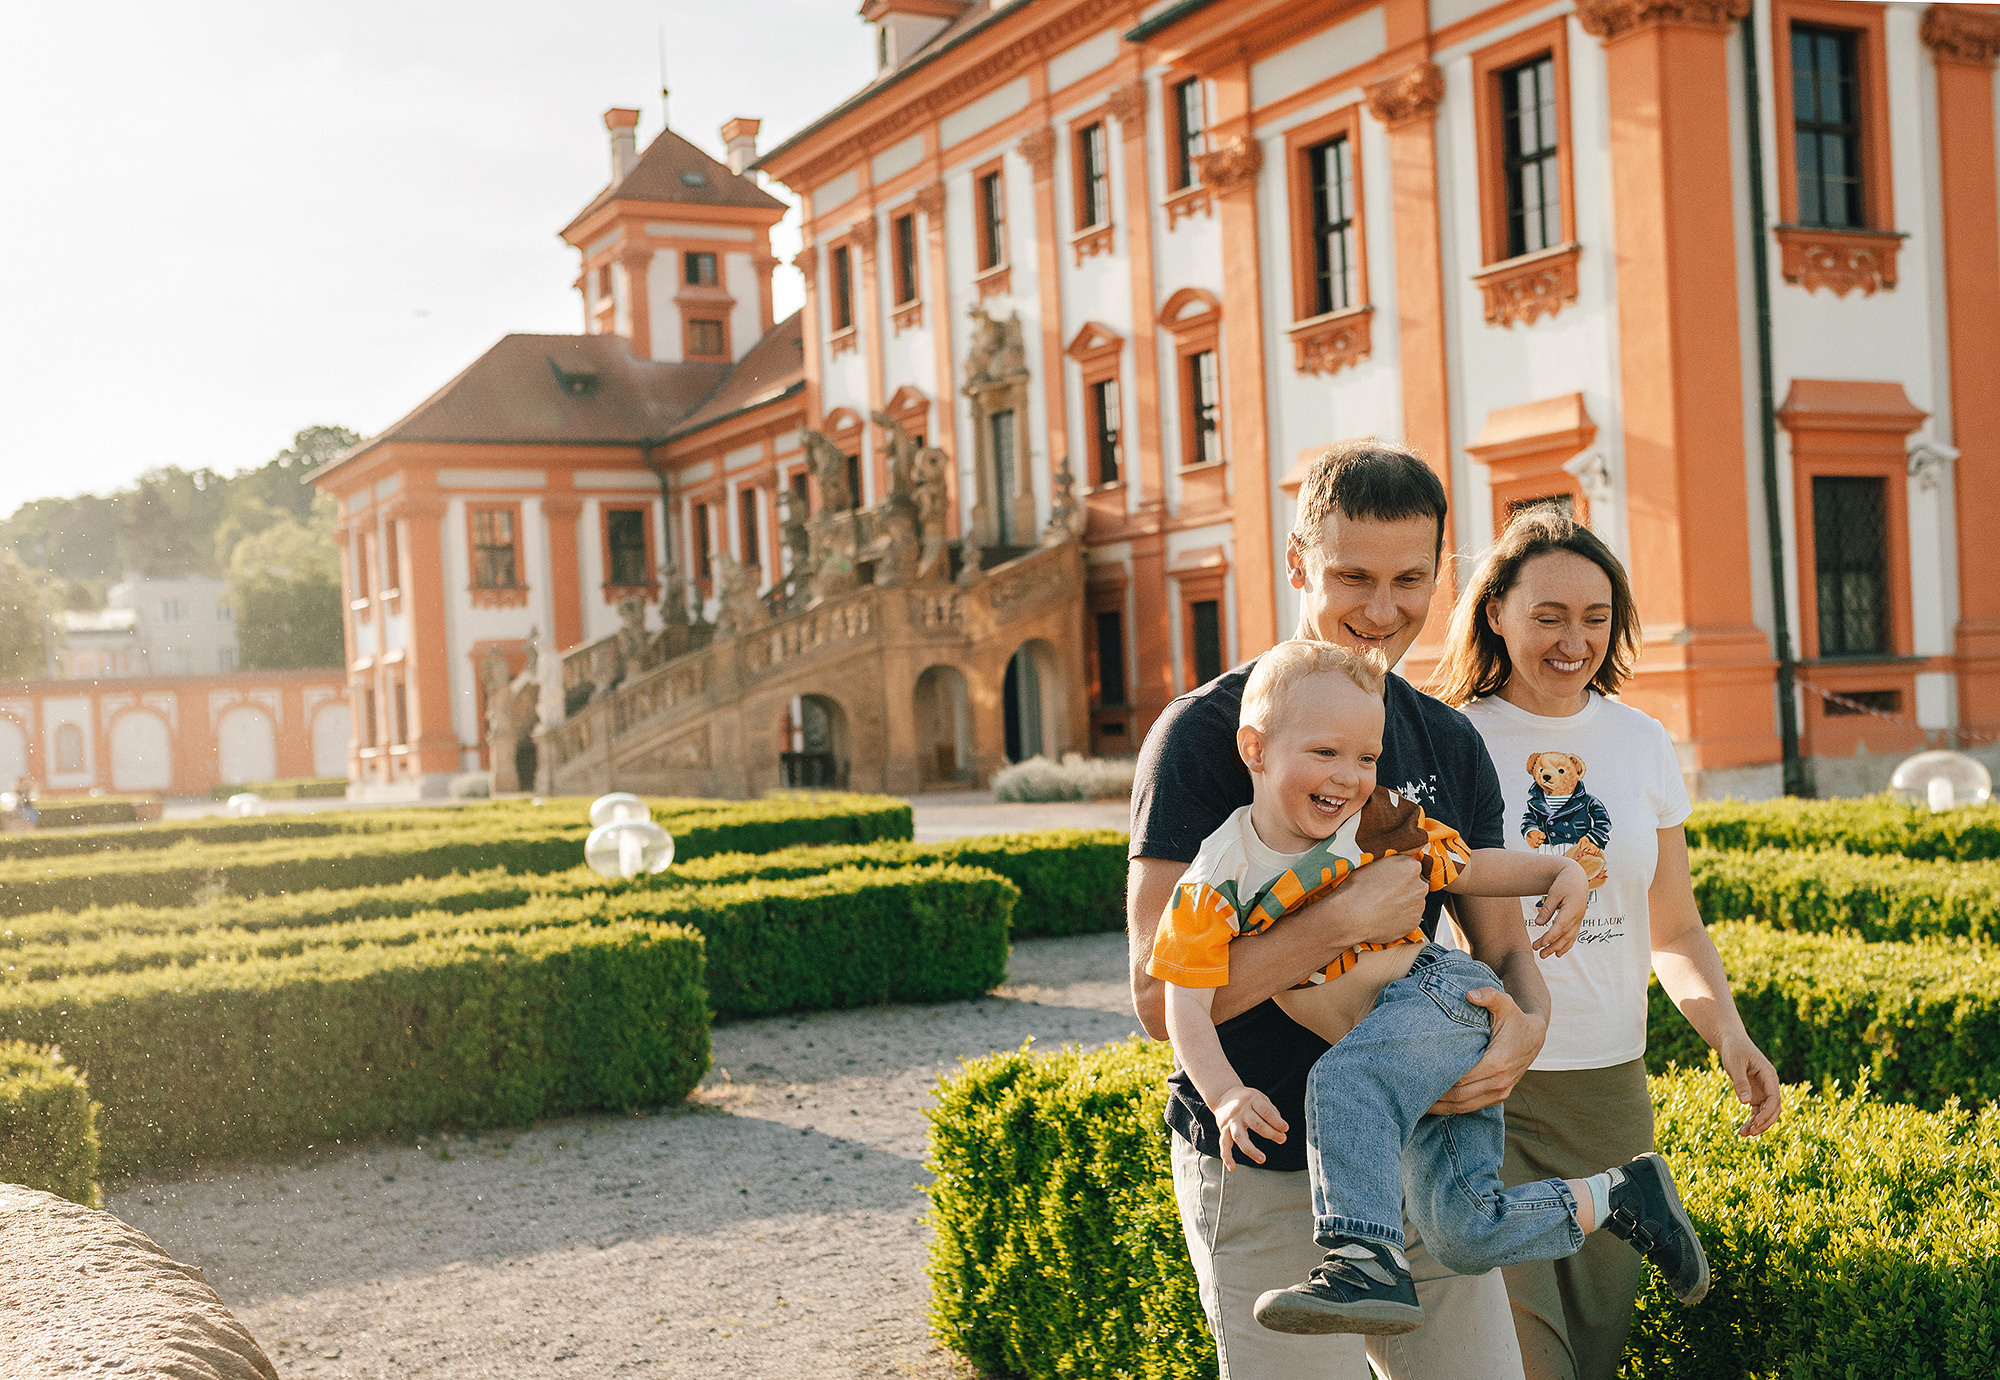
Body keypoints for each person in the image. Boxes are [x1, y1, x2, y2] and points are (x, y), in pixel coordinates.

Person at [1130, 441, 1551, 1378]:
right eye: (1351, 575)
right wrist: (1339, 920)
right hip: (1264, 1170)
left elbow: (1507, 953)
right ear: (1295, 563)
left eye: (1410, 579)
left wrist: (1527, 1032)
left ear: (1442, 573)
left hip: (1423, 1152)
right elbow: (1159, 1006)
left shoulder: (1447, 739)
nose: (1381, 609)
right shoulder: (1208, 737)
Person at [1148, 638, 1709, 1339]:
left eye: (1367, 757)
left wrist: (1556, 874)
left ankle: (1362, 1262)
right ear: (1255, 749)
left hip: (1443, 999)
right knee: (1464, 1232)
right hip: (1404, 1059)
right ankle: (1625, 1195)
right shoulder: (1215, 880)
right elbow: (1181, 1004)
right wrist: (1226, 1092)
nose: (1350, 777)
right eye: (1326, 753)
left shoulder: (1379, 821)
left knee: (1341, 1080)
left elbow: (1470, 870)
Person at [1434, 509, 1784, 1380]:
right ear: (1496, 614)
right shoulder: (1450, 738)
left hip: (1610, 1096)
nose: (1573, 640)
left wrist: (1727, 1033)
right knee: (1522, 1362)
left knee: (1591, 1358)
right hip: (1481, 1083)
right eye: (1548, 615)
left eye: (1596, 618)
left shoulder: (1641, 742)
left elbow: (1674, 926)